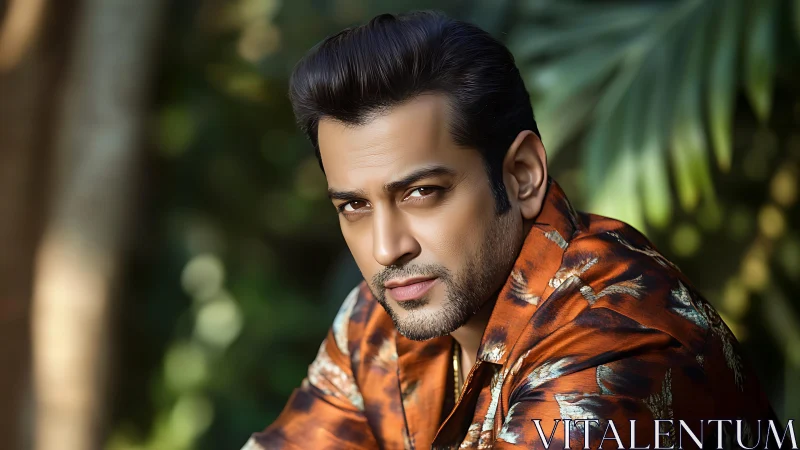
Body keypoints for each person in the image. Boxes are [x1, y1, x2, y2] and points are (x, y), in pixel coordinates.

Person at [242, 10, 782, 450]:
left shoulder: (617, 340)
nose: (387, 248)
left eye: (422, 193)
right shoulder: (378, 319)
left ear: (522, 175)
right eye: (355, 205)